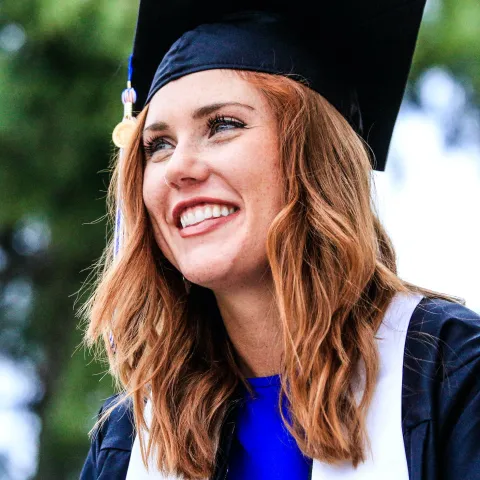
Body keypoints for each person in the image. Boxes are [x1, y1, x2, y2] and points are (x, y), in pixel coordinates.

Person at [80, 1, 480, 479]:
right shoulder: (132, 438)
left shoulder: (449, 375)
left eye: (223, 125)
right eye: (158, 144)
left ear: (315, 158)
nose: (178, 168)